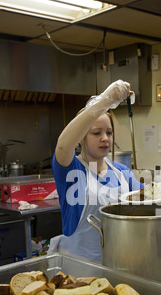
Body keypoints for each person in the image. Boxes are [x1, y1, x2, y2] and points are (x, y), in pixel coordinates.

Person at [48, 80, 142, 262]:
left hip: (117, 264)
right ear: (81, 137)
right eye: (96, 133)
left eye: (109, 132)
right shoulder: (72, 171)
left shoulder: (122, 173)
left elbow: (146, 199)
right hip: (78, 273)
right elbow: (62, 146)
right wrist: (105, 101)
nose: (105, 139)